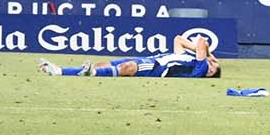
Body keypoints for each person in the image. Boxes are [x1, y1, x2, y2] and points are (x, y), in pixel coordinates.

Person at [38, 33, 221, 78]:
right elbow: (178, 39)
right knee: (104, 65)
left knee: (127, 69)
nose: (212, 66)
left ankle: (89, 74)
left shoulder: (200, 69)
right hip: (152, 59)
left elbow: (201, 41)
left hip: (157, 68)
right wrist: (204, 54)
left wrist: (209, 57)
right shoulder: (189, 59)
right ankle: (60, 71)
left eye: (214, 69)